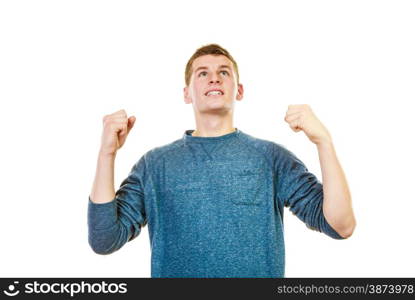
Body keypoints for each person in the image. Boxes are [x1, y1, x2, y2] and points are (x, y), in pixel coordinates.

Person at [88, 43, 356, 278]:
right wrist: (107, 154)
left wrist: (324, 142)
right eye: (202, 73)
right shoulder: (154, 165)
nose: (214, 79)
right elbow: (104, 240)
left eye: (223, 72)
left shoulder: (272, 158)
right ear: (186, 93)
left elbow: (341, 225)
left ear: (238, 90)